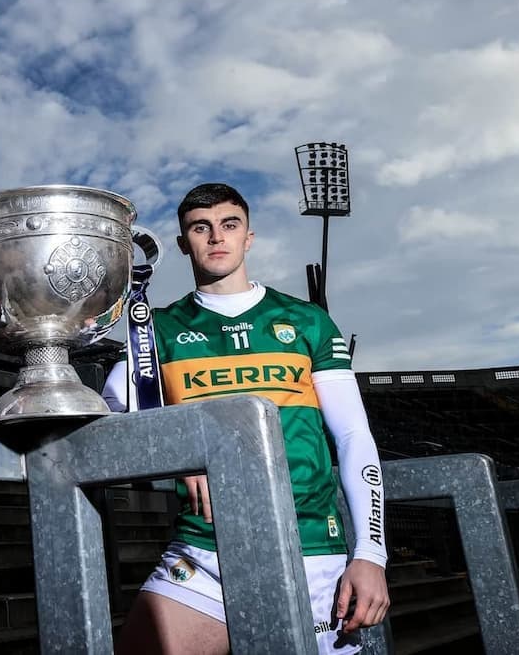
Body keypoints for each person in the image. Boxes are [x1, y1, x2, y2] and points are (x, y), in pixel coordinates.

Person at [105, 183, 389, 654]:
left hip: (311, 545)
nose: (216, 237)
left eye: (229, 225)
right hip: (203, 547)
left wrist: (370, 555)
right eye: (201, 227)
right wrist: (177, 451)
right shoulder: (157, 327)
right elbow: (110, 416)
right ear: (183, 244)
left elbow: (354, 436)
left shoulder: (306, 321)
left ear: (248, 238)